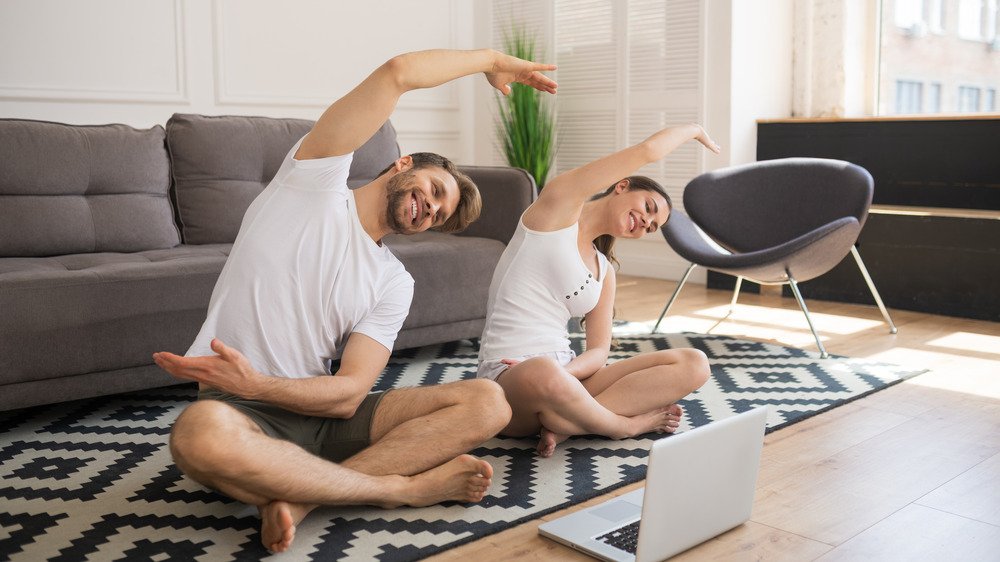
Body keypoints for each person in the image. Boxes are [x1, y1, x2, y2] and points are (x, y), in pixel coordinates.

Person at [151, 49, 558, 553]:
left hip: (320, 414)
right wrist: (490, 61)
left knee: (488, 401)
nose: (429, 207)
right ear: (402, 164)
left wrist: (260, 381)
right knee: (198, 437)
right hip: (239, 411)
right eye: (433, 190)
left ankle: (302, 498)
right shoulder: (313, 183)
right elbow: (397, 74)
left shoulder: (394, 281)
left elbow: (347, 394)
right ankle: (395, 488)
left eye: (437, 213)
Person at [477, 124, 720, 457]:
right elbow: (646, 151)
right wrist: (693, 129)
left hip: (567, 379)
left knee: (695, 363)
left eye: (652, 227)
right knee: (542, 370)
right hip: (511, 380)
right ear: (621, 186)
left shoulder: (604, 271)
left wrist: (567, 374)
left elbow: (598, 353)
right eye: (648, 208)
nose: (646, 223)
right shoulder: (556, 212)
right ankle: (622, 425)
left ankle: (566, 427)